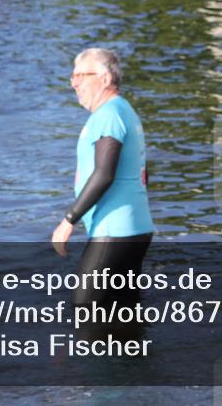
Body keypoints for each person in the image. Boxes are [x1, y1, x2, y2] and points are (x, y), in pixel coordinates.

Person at [52, 49, 154, 313]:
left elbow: (103, 174)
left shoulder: (109, 114)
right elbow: (141, 170)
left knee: (84, 309)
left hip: (115, 230)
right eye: (72, 76)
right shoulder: (121, 110)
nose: (74, 82)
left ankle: (97, 354)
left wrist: (68, 220)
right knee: (123, 311)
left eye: (81, 75)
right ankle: (131, 354)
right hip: (131, 227)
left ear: (105, 78)